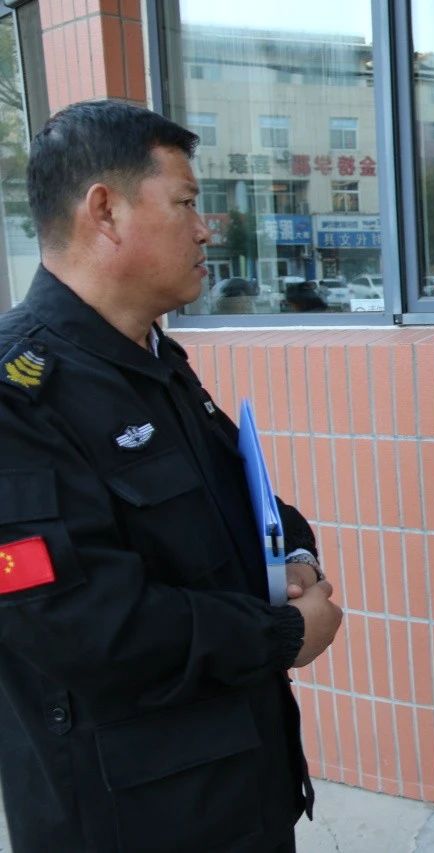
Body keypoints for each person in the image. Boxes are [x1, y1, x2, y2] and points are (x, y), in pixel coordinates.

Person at [0, 100, 343, 852]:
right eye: (186, 202)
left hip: (239, 790)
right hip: (131, 820)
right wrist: (280, 634)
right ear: (105, 211)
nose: (205, 229)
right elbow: (78, 621)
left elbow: (247, 501)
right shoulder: (19, 395)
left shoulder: (154, 363)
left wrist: (294, 557)